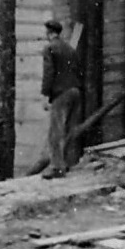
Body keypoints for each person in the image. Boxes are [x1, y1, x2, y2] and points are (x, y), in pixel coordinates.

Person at [39, 18, 82, 179]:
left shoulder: (49, 48)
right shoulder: (70, 49)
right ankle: (68, 163)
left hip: (61, 93)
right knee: (69, 129)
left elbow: (48, 73)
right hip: (75, 91)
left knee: (55, 132)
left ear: (49, 33)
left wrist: (45, 95)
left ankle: (57, 167)